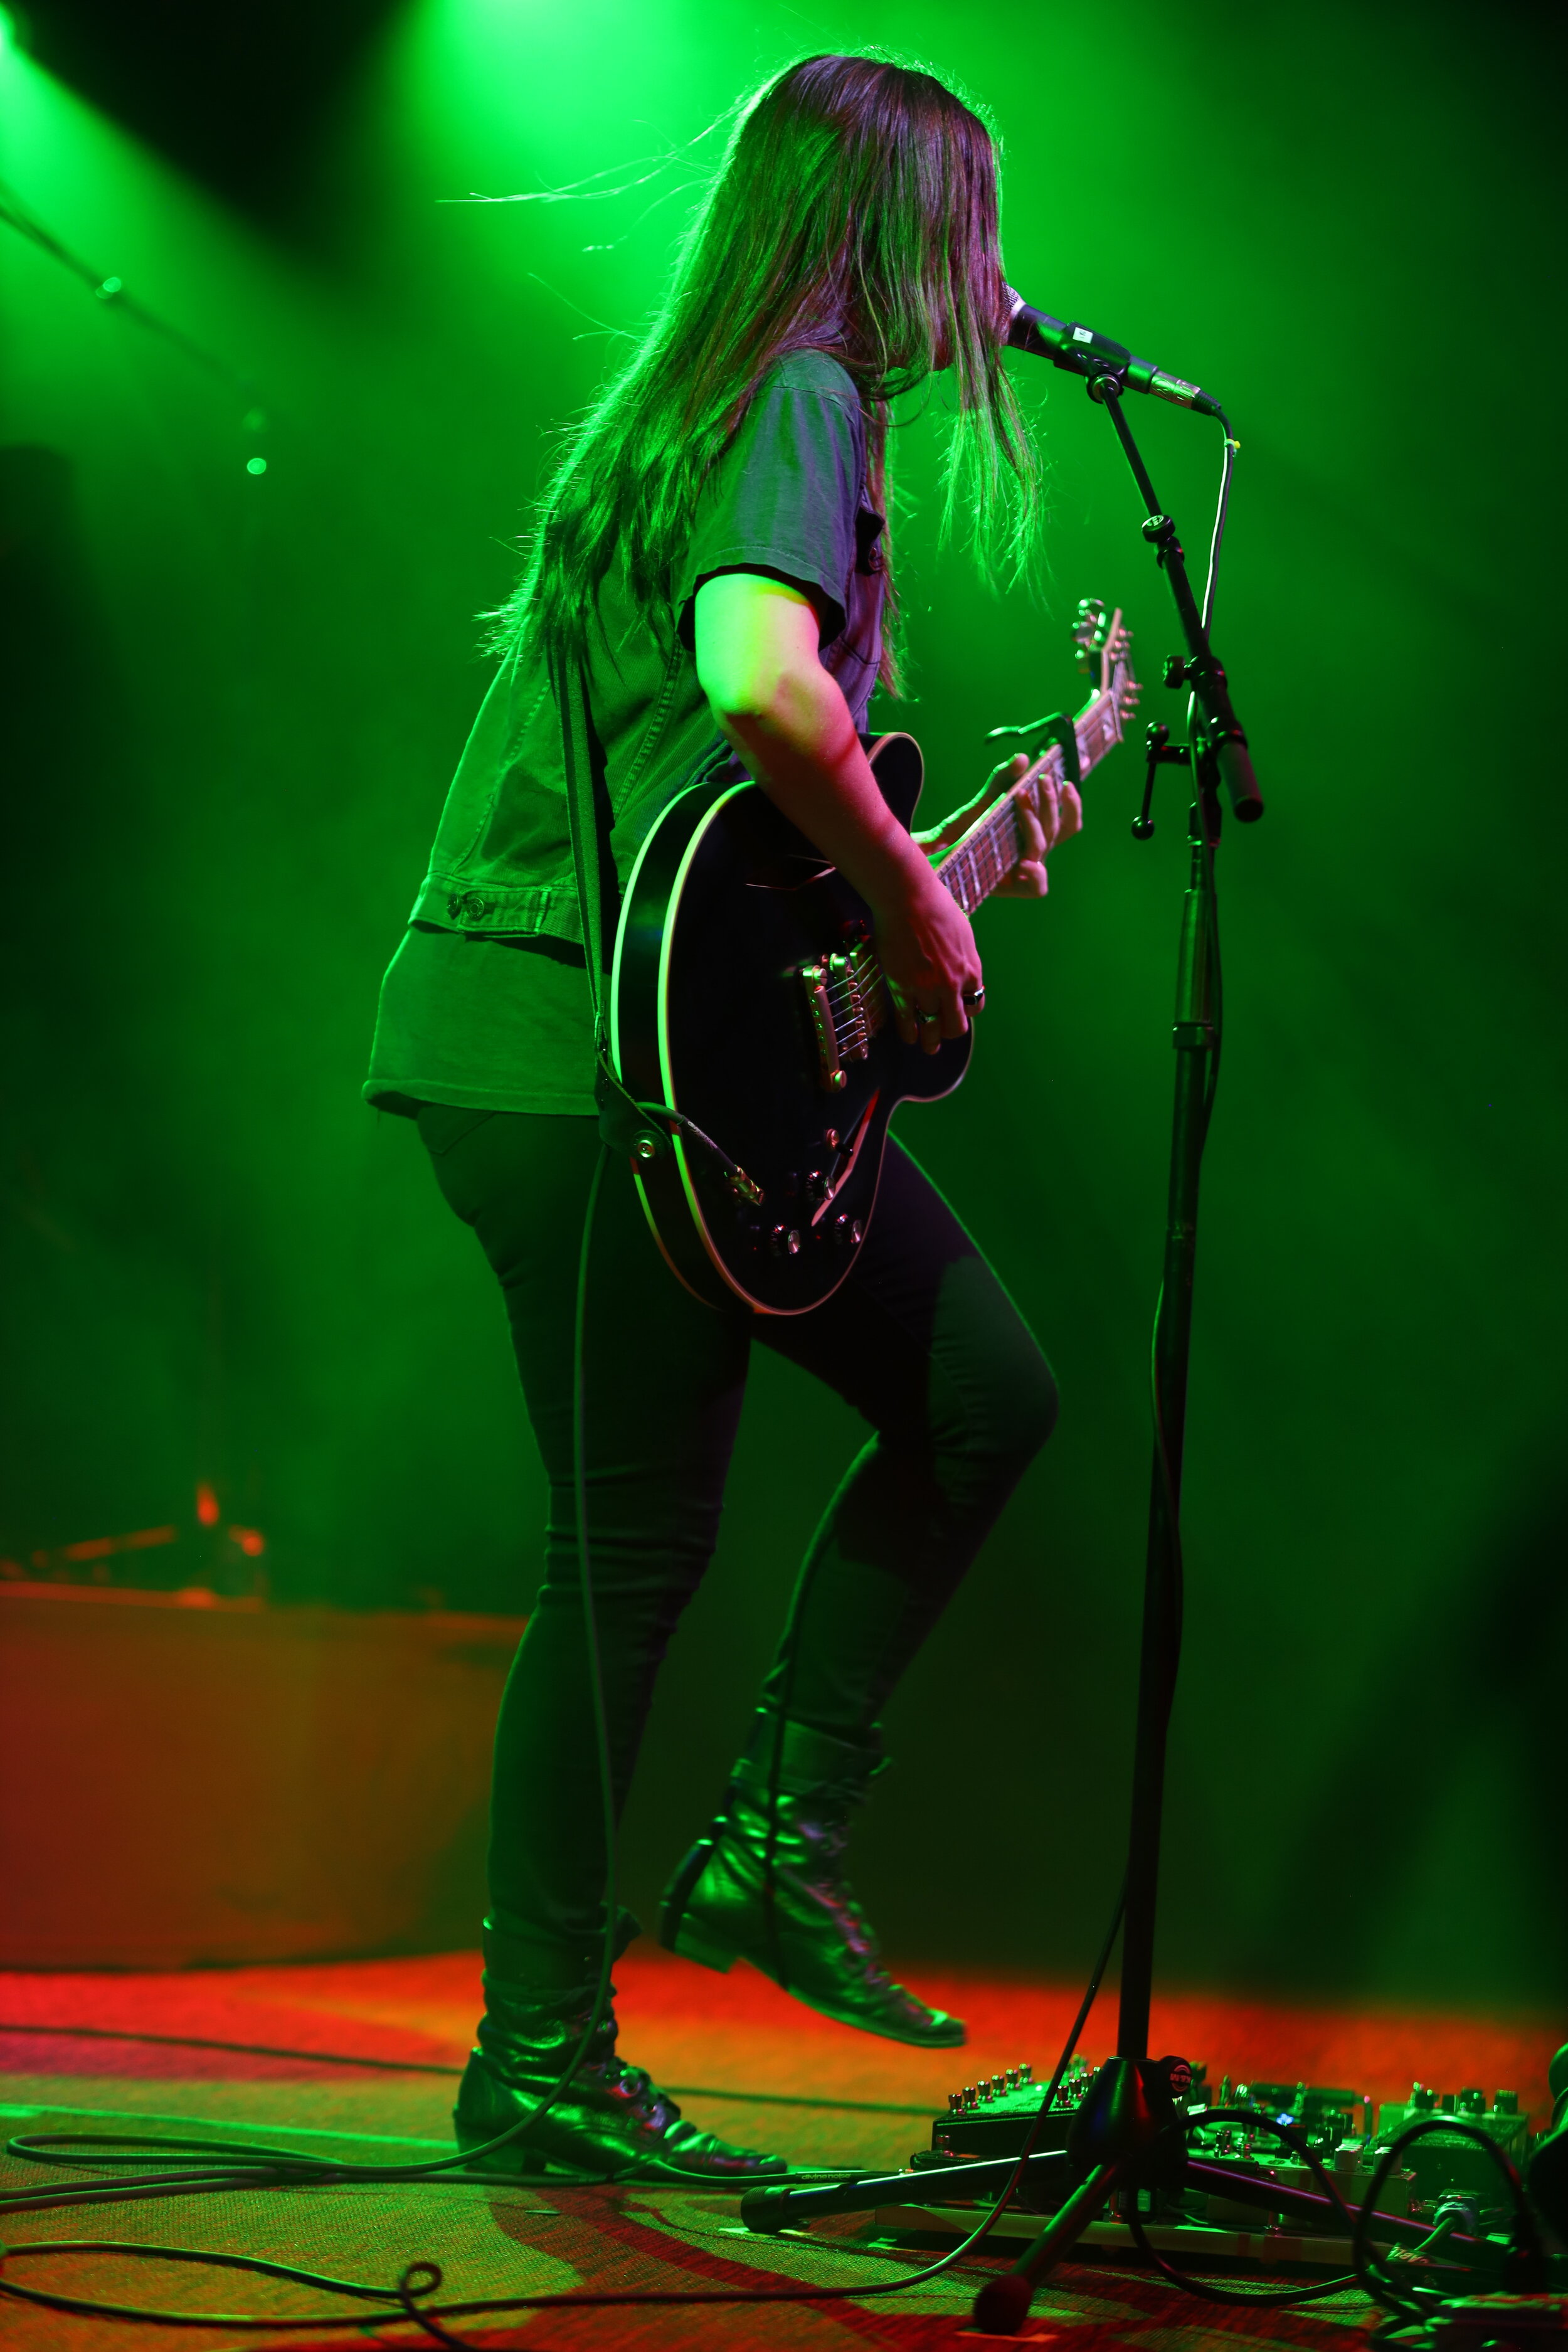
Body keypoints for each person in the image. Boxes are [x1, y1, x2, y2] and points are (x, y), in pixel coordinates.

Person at [366, 51, 1082, 2183]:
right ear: (885, 232)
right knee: (630, 1556)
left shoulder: (721, 398)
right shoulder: (799, 399)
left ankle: (770, 1836)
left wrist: (928, 871)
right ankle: (547, 2054)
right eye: (972, 220)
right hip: (564, 1056)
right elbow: (768, 693)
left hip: (611, 1046)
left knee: (976, 1394)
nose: (996, 275)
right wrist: (910, 906)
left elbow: (725, 831)